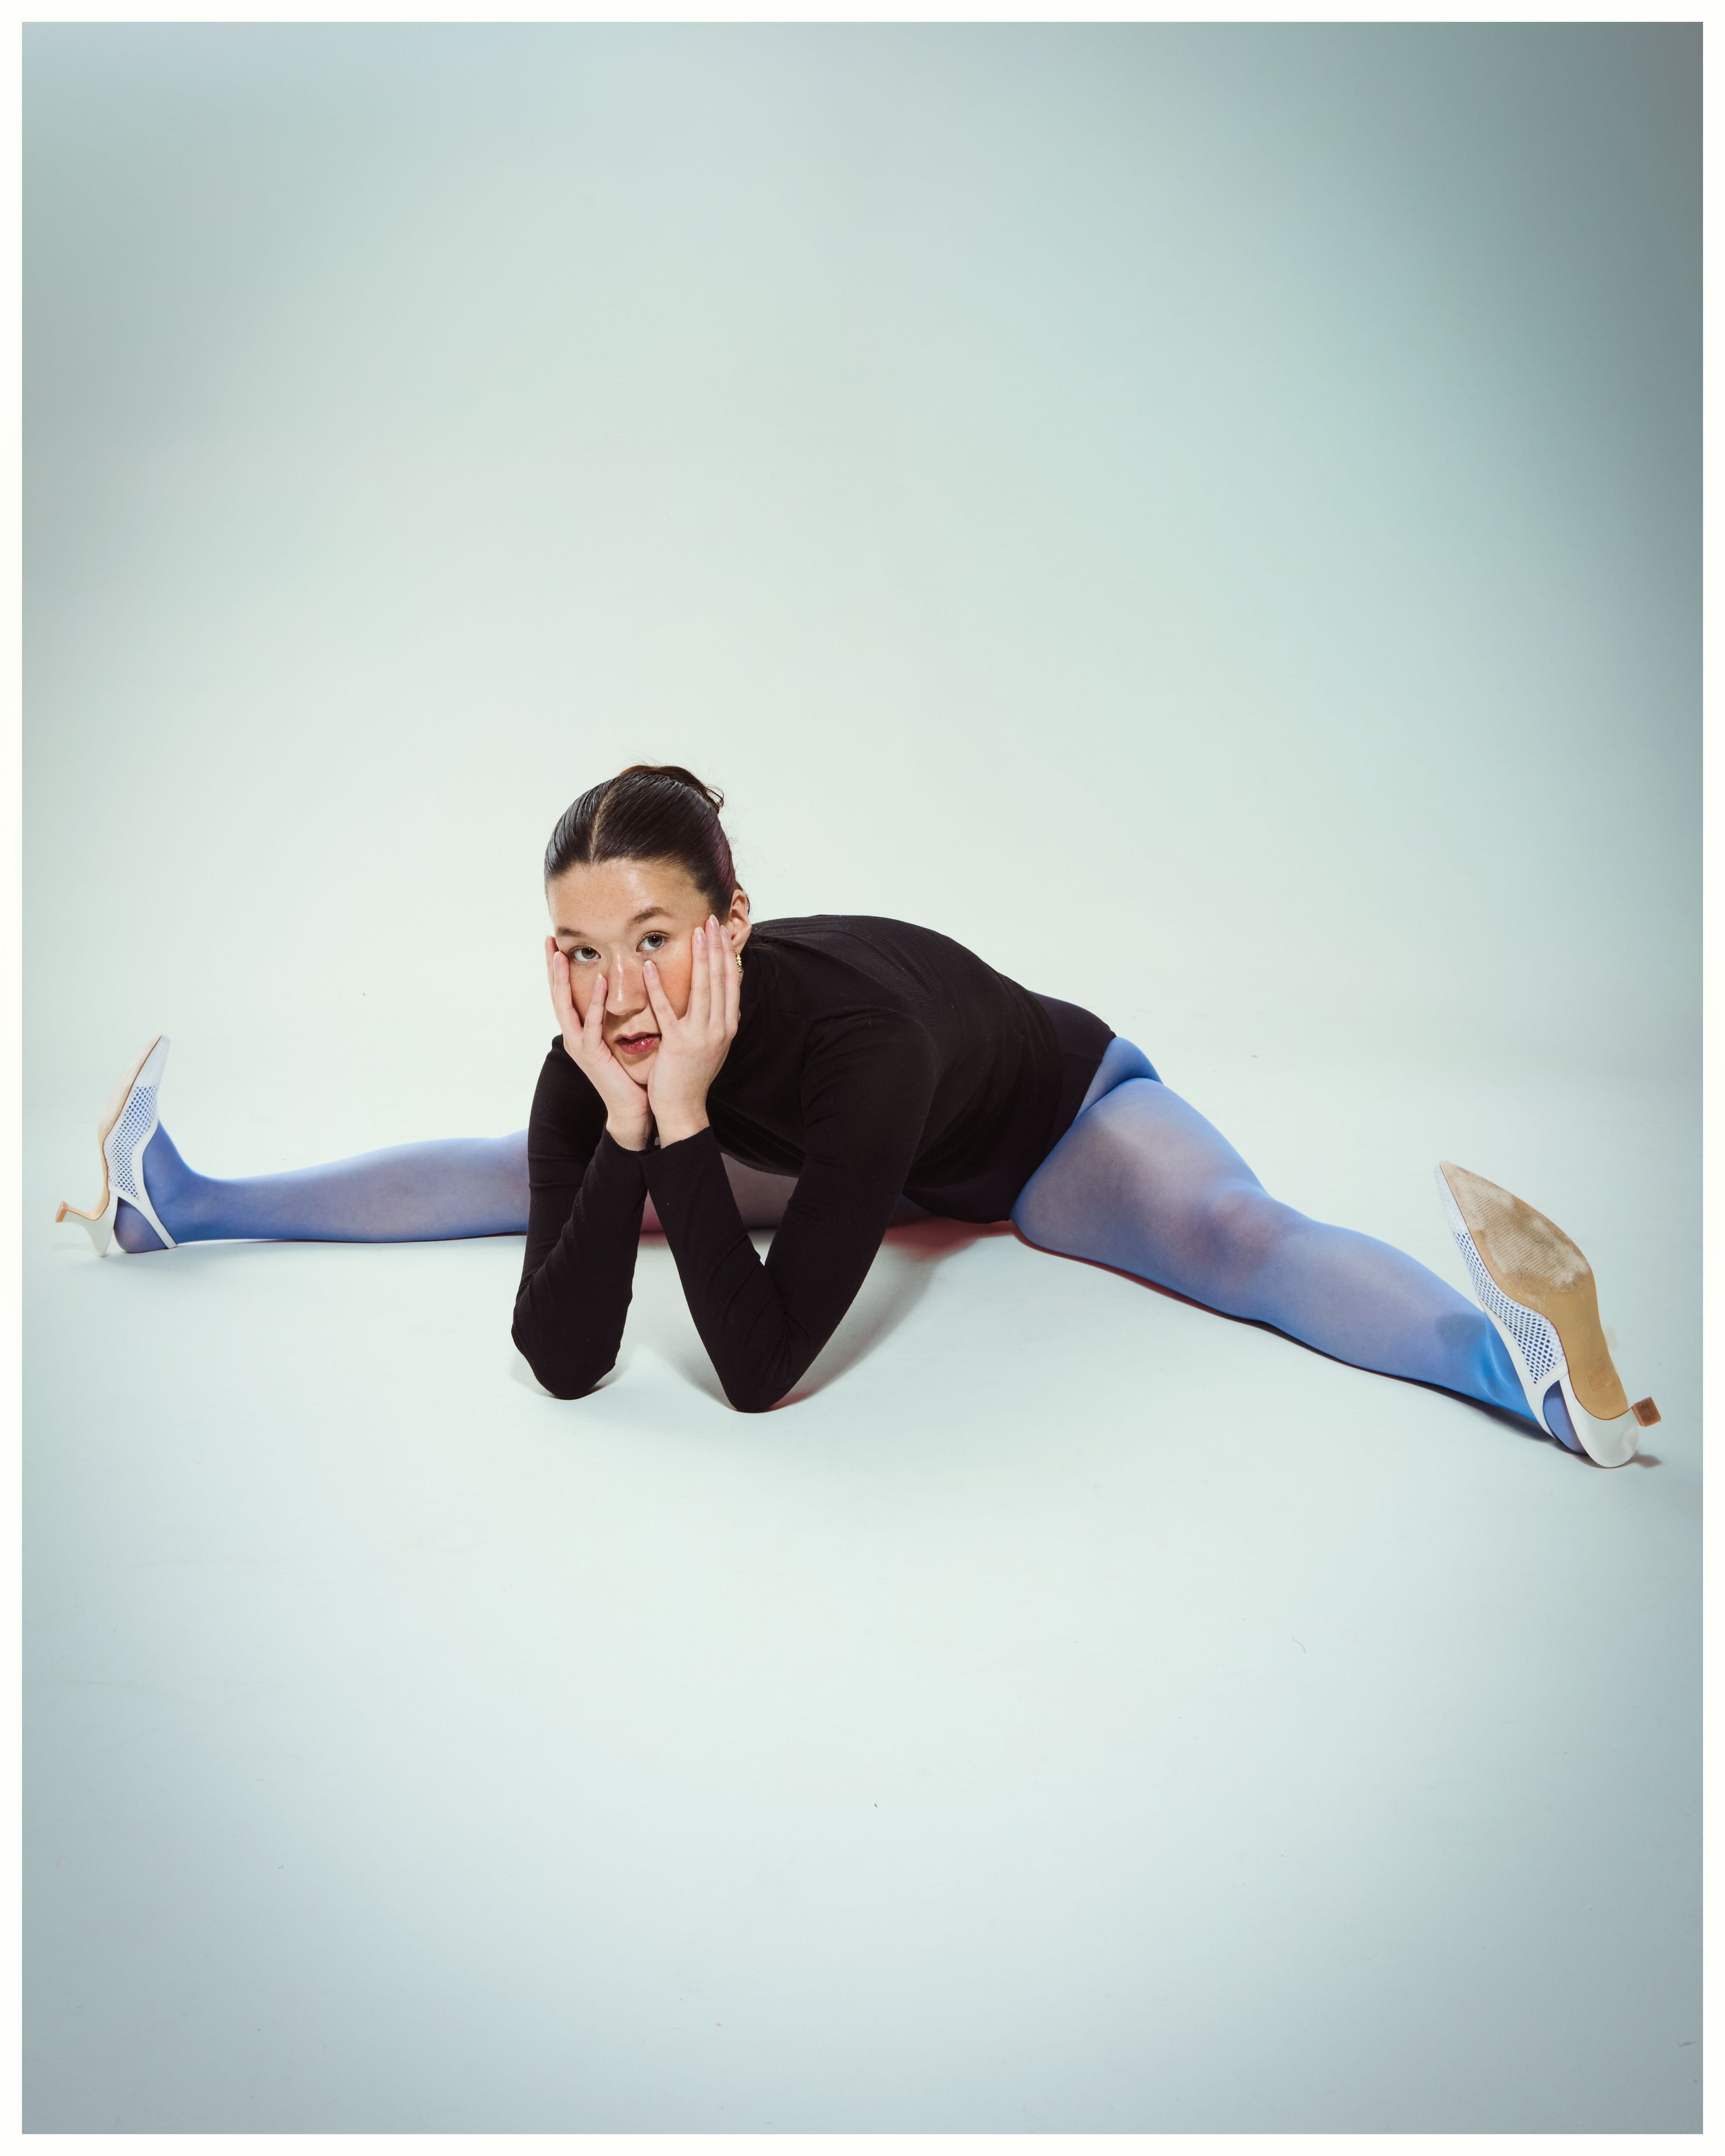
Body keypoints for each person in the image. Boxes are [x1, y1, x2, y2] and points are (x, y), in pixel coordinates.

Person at [56, 763, 1660, 1465]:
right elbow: (561, 1354)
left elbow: (758, 1374)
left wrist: (677, 1122)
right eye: (581, 952)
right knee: (517, 1167)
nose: (616, 994)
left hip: (1049, 1128)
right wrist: (633, 1118)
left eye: (655, 940)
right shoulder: (600, 1049)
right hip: (821, 1154)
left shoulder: (861, 1044)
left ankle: (1522, 1375)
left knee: (1236, 1236)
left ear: (731, 923)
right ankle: (179, 1201)